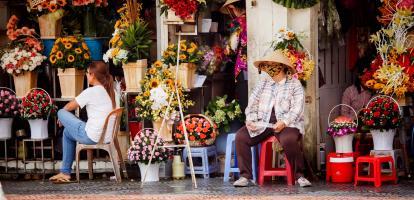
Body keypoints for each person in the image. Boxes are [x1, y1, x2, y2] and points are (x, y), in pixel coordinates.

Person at [234, 50, 312, 187]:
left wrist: (284, 122)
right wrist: (251, 120)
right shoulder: (262, 84)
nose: (269, 68)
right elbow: (252, 104)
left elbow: (297, 108)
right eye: (267, 65)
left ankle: (299, 175)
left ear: (282, 66)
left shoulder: (294, 84)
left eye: (273, 64)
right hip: (263, 124)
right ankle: (245, 176)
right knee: (240, 136)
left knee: (289, 140)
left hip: (287, 124)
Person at [49, 61, 116, 183]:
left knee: (60, 112)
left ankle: (65, 172)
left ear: (92, 75)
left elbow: (69, 107)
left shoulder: (92, 91)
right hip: (103, 135)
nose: (86, 75)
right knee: (67, 133)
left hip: (91, 136)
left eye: (87, 73)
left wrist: (62, 117)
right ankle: (65, 173)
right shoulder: (107, 91)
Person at [220, 0, 248, 113]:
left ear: (233, 7)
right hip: (259, 64)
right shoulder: (255, 18)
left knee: (245, 100)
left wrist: (223, 53)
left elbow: (232, 47)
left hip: (243, 65)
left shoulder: (238, 21)